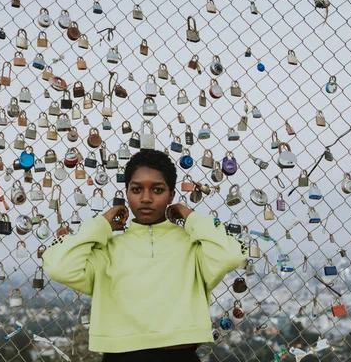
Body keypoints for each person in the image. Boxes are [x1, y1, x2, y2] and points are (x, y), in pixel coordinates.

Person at [42, 149, 247, 362]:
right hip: (120, 357)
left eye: (157, 190)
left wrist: (190, 217)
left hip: (180, 356)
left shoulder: (192, 246)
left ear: (171, 195)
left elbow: (231, 255)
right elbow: (58, 266)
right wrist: (101, 224)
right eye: (137, 189)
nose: (146, 198)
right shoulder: (107, 249)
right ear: (127, 193)